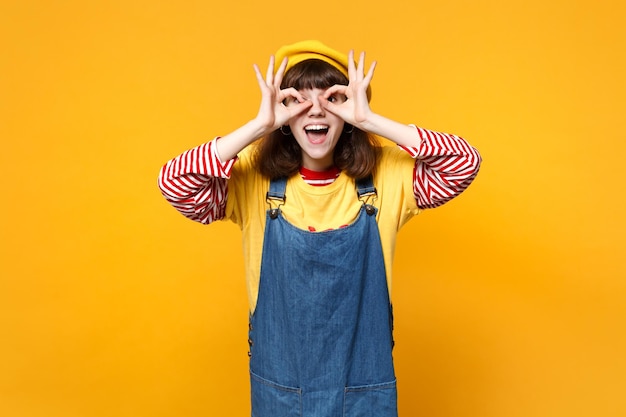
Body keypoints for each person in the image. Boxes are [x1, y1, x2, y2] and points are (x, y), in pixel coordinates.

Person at [158, 40, 481, 417]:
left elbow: (464, 162)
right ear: (281, 113)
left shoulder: (388, 178)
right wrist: (258, 126)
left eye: (332, 99)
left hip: (365, 391)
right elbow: (175, 183)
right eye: (298, 99)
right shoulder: (252, 180)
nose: (316, 110)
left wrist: (370, 120)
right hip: (280, 392)